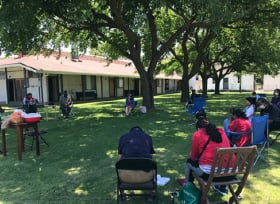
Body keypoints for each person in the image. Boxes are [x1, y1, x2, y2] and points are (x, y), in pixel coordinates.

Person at [184, 117, 234, 196]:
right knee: (222, 161)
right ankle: (222, 187)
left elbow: (193, 156)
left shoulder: (198, 134)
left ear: (198, 128)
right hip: (231, 173)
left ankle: (189, 187)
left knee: (189, 163)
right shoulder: (222, 132)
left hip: (211, 175)